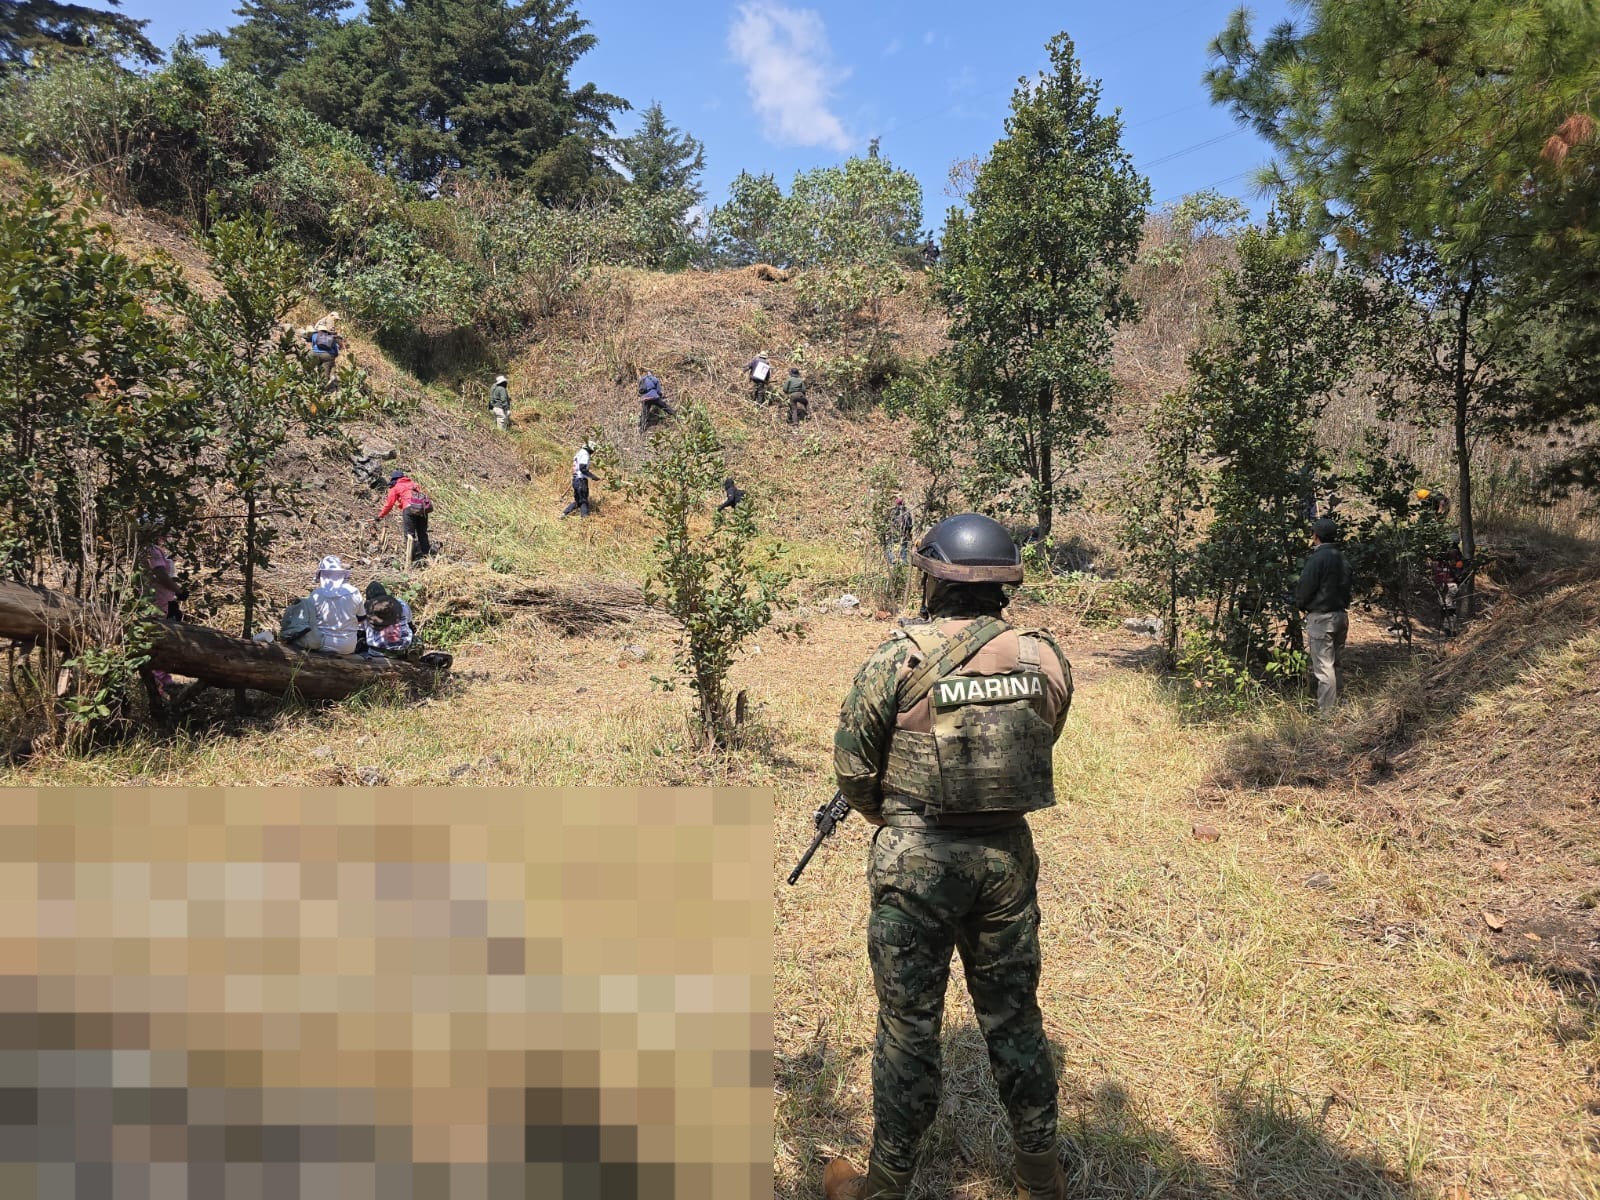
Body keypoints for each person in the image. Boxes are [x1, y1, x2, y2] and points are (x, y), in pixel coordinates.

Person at [825, 513, 1075, 1200]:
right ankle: (1038, 1175)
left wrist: (891, 816)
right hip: (1005, 860)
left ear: (934, 578)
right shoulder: (1042, 656)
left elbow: (852, 767)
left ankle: (885, 1183)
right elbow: (1042, 734)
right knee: (1016, 1015)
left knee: (908, 1026)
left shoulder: (896, 658)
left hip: (917, 861)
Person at [1295, 517, 1352, 714]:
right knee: (1336, 663)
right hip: (1340, 616)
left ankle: (1327, 713)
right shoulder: (1341, 557)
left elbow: (1305, 587)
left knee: (1323, 667)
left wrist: (1301, 604)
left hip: (1322, 617)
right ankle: (1340, 705)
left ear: (1316, 536)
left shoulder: (1317, 558)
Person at [308, 556, 365, 656]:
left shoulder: (316, 595)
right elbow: (362, 618)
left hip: (322, 644)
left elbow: (309, 619)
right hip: (348, 646)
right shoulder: (354, 592)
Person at [375, 469, 433, 564]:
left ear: (394, 479)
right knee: (422, 533)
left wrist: (380, 515)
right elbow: (418, 498)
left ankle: (414, 560)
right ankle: (427, 555)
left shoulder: (395, 487)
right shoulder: (414, 484)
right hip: (421, 510)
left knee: (409, 535)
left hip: (409, 509)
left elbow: (389, 504)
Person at [364, 580, 415, 656]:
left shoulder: (366, 610)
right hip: (403, 648)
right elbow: (410, 625)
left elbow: (360, 631)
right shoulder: (402, 604)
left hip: (378, 651)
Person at [563, 441, 600, 518]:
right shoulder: (585, 454)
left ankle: (564, 513)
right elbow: (582, 468)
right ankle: (585, 518)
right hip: (581, 481)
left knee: (578, 501)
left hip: (575, 480)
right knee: (583, 501)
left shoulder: (579, 453)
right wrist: (593, 476)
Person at [885, 497, 913, 566]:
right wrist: (908, 533)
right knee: (903, 547)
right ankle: (904, 561)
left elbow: (888, 522)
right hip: (904, 534)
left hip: (895, 533)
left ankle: (892, 561)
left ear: (896, 503)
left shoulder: (893, 511)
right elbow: (910, 524)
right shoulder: (907, 511)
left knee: (890, 546)